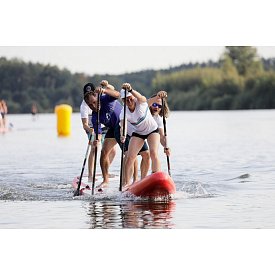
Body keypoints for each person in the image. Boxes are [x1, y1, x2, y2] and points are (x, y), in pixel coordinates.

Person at [119, 83, 161, 190]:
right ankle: (127, 184)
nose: (129, 101)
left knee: (153, 153)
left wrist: (131, 90)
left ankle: (156, 176)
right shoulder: (124, 112)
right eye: (125, 100)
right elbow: (123, 126)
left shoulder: (141, 102)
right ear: (123, 101)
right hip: (139, 133)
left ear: (133, 97)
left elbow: (141, 97)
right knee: (130, 157)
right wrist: (123, 135)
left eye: (130, 98)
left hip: (152, 130)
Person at [84, 82, 122, 188]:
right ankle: (105, 181)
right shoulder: (95, 116)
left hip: (124, 125)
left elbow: (118, 95)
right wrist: (97, 140)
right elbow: (99, 133)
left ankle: (131, 180)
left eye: (94, 102)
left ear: (97, 97)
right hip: (112, 129)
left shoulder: (105, 98)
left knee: (128, 153)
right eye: (90, 105)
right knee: (103, 152)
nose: (93, 106)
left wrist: (105, 90)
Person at [148, 91, 171, 157]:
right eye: (154, 105)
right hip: (133, 133)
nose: (157, 108)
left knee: (151, 153)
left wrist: (166, 147)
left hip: (147, 134)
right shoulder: (144, 111)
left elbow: (161, 136)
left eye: (159, 106)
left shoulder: (158, 119)